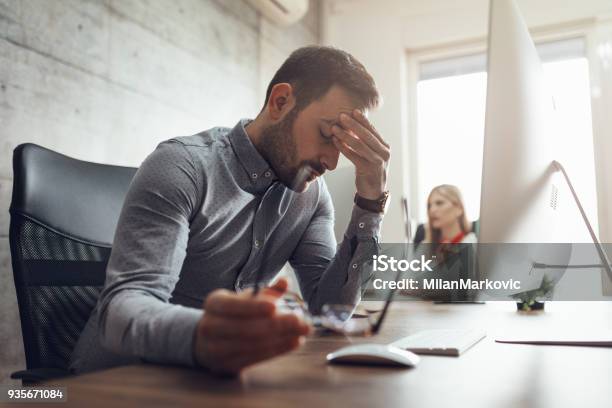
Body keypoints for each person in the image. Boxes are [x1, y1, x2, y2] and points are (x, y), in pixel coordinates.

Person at [69, 46, 391, 375]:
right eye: (326, 135)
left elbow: (329, 309)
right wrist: (203, 336)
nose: (332, 162)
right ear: (281, 102)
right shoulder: (182, 166)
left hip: (216, 386)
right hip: (116, 382)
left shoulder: (310, 196)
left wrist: (370, 203)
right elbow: (121, 310)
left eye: (342, 146)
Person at [403, 185, 476, 301]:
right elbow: (408, 284)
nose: (432, 210)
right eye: (429, 206)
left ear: (459, 209)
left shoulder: (471, 242)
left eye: (439, 203)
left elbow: (461, 287)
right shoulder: (427, 244)